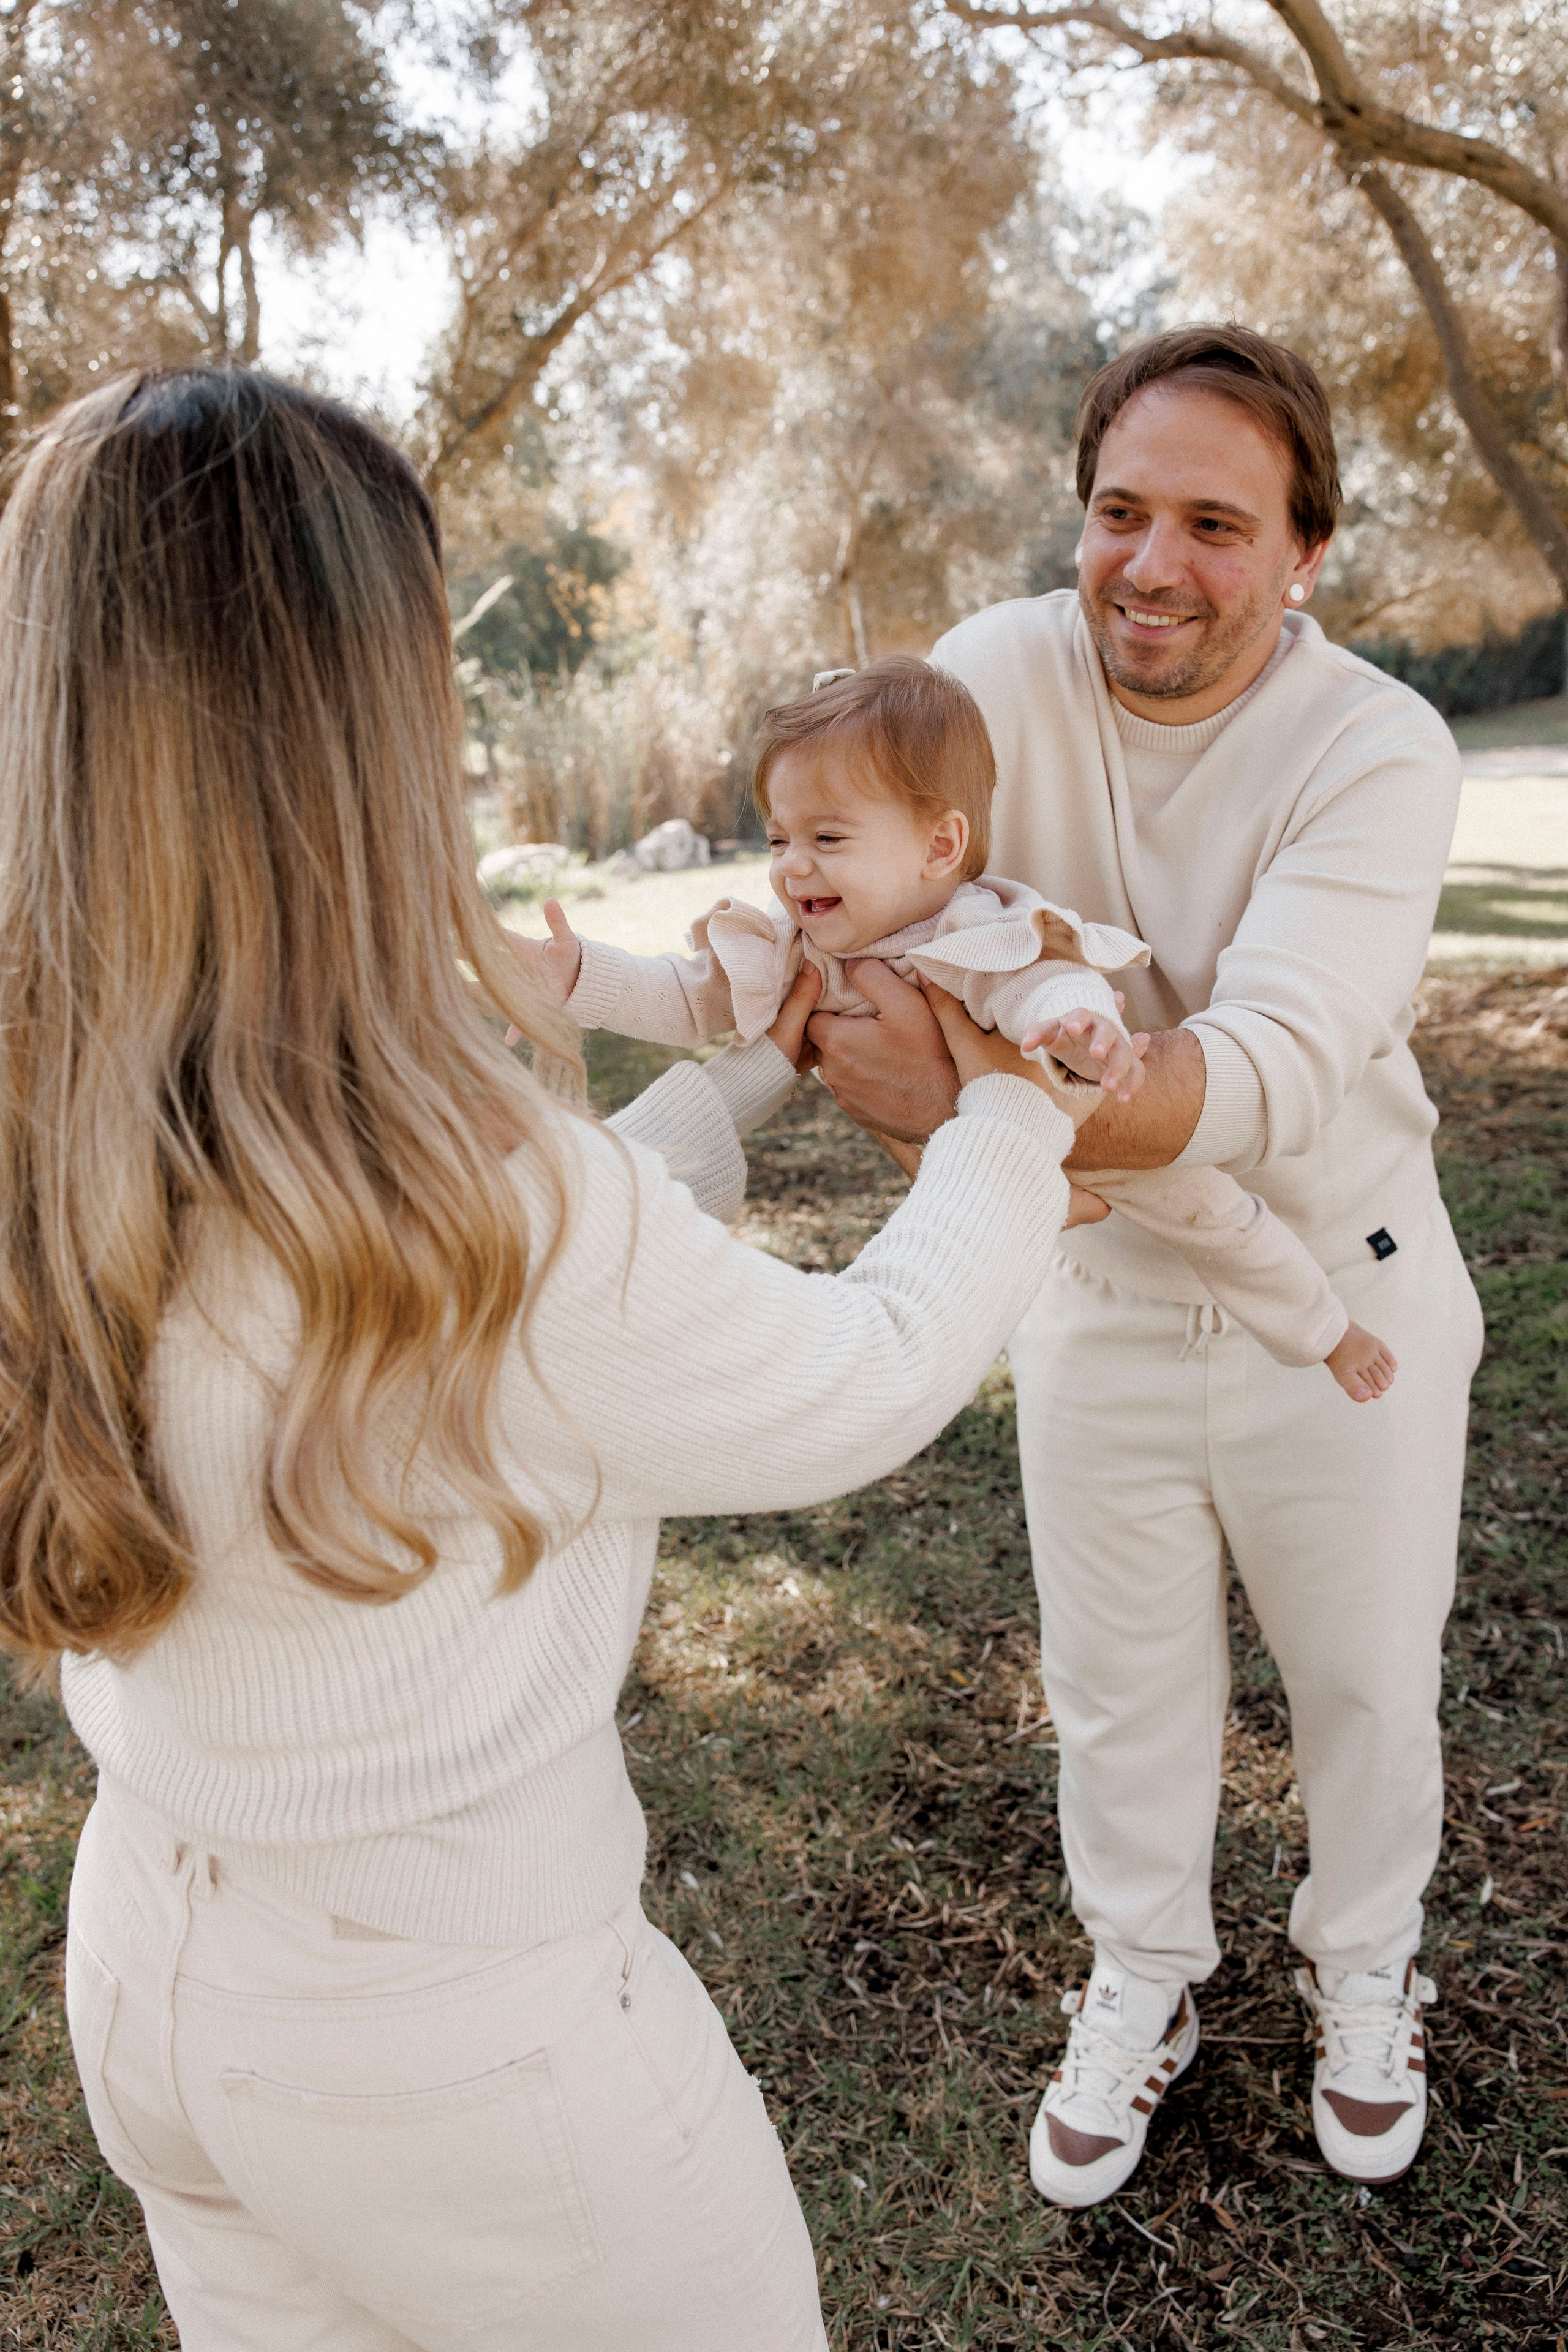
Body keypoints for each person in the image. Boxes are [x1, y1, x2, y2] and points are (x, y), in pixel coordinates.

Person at [0, 367, 1089, 2350]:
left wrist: (739, 1087)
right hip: (459, 2058)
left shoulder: (67, 1115)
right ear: (360, 717)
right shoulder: (484, 1202)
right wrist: (1015, 1109)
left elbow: (475, 1302)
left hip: (154, 1960)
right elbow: (869, 1364)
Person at [804, 325, 1482, 2202]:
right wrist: (899, 1059)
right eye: (1120, 511)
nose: (1153, 565)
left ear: (1302, 554)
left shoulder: (1376, 743)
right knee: (1117, 1687)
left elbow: (1268, 1063)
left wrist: (968, 1092)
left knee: (1361, 1683)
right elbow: (864, 915)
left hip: (1335, 1291)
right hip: (1089, 1282)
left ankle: (1365, 1972)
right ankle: (1146, 1982)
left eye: (1214, 522)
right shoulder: (993, 677)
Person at [527, 657, 1397, 1401]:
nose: (793, 866)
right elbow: (689, 999)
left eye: (826, 837)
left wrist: (1078, 1023)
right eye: (778, 838)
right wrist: (582, 978)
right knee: (948, 1251)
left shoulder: (969, 927)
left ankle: (1326, 1333)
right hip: (959, 1161)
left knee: (1217, 1216)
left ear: (940, 848)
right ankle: (1030, 1210)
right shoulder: (796, 944)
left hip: (1063, 1124)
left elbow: (1037, 981)